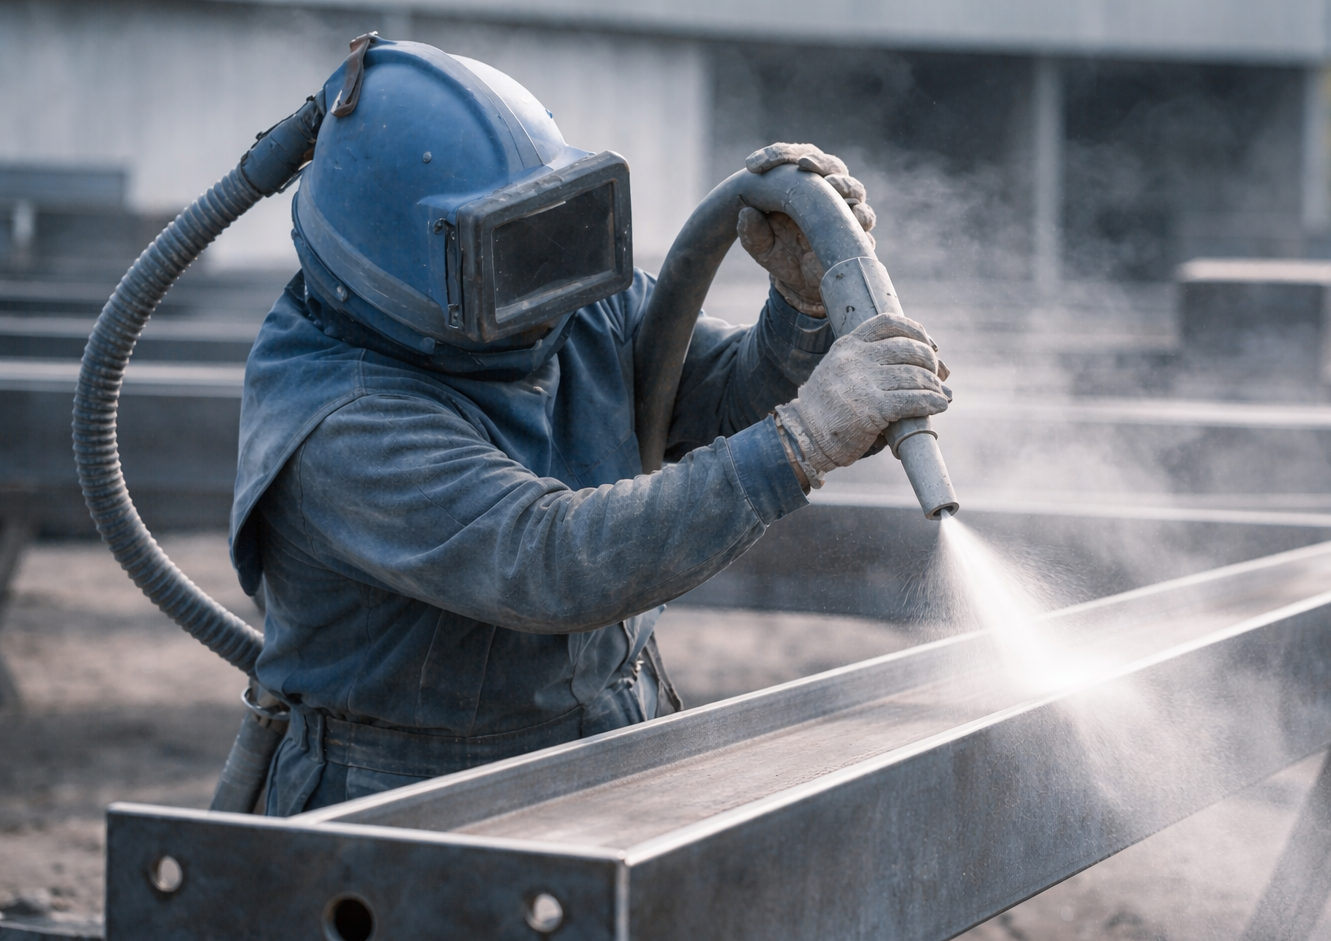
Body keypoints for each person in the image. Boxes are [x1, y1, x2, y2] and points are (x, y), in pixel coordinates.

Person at [229, 37, 950, 814]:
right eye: (507, 254)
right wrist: (805, 440)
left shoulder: (556, 290)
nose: (550, 285)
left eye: (548, 226)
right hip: (415, 792)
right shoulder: (345, 420)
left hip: (616, 733)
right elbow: (549, 561)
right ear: (405, 271)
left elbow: (716, 396)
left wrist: (802, 311)